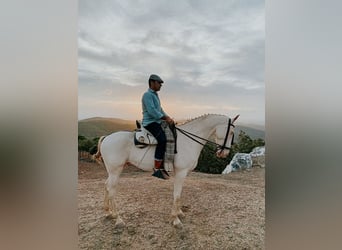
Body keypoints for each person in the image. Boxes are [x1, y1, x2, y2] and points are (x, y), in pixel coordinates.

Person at [141, 74, 174, 180]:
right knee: (162, 140)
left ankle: (167, 163)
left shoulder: (155, 95)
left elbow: (160, 109)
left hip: (157, 122)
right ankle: (157, 168)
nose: (160, 85)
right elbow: (152, 112)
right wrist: (164, 118)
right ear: (152, 82)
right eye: (159, 83)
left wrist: (168, 117)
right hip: (150, 122)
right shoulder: (147, 95)